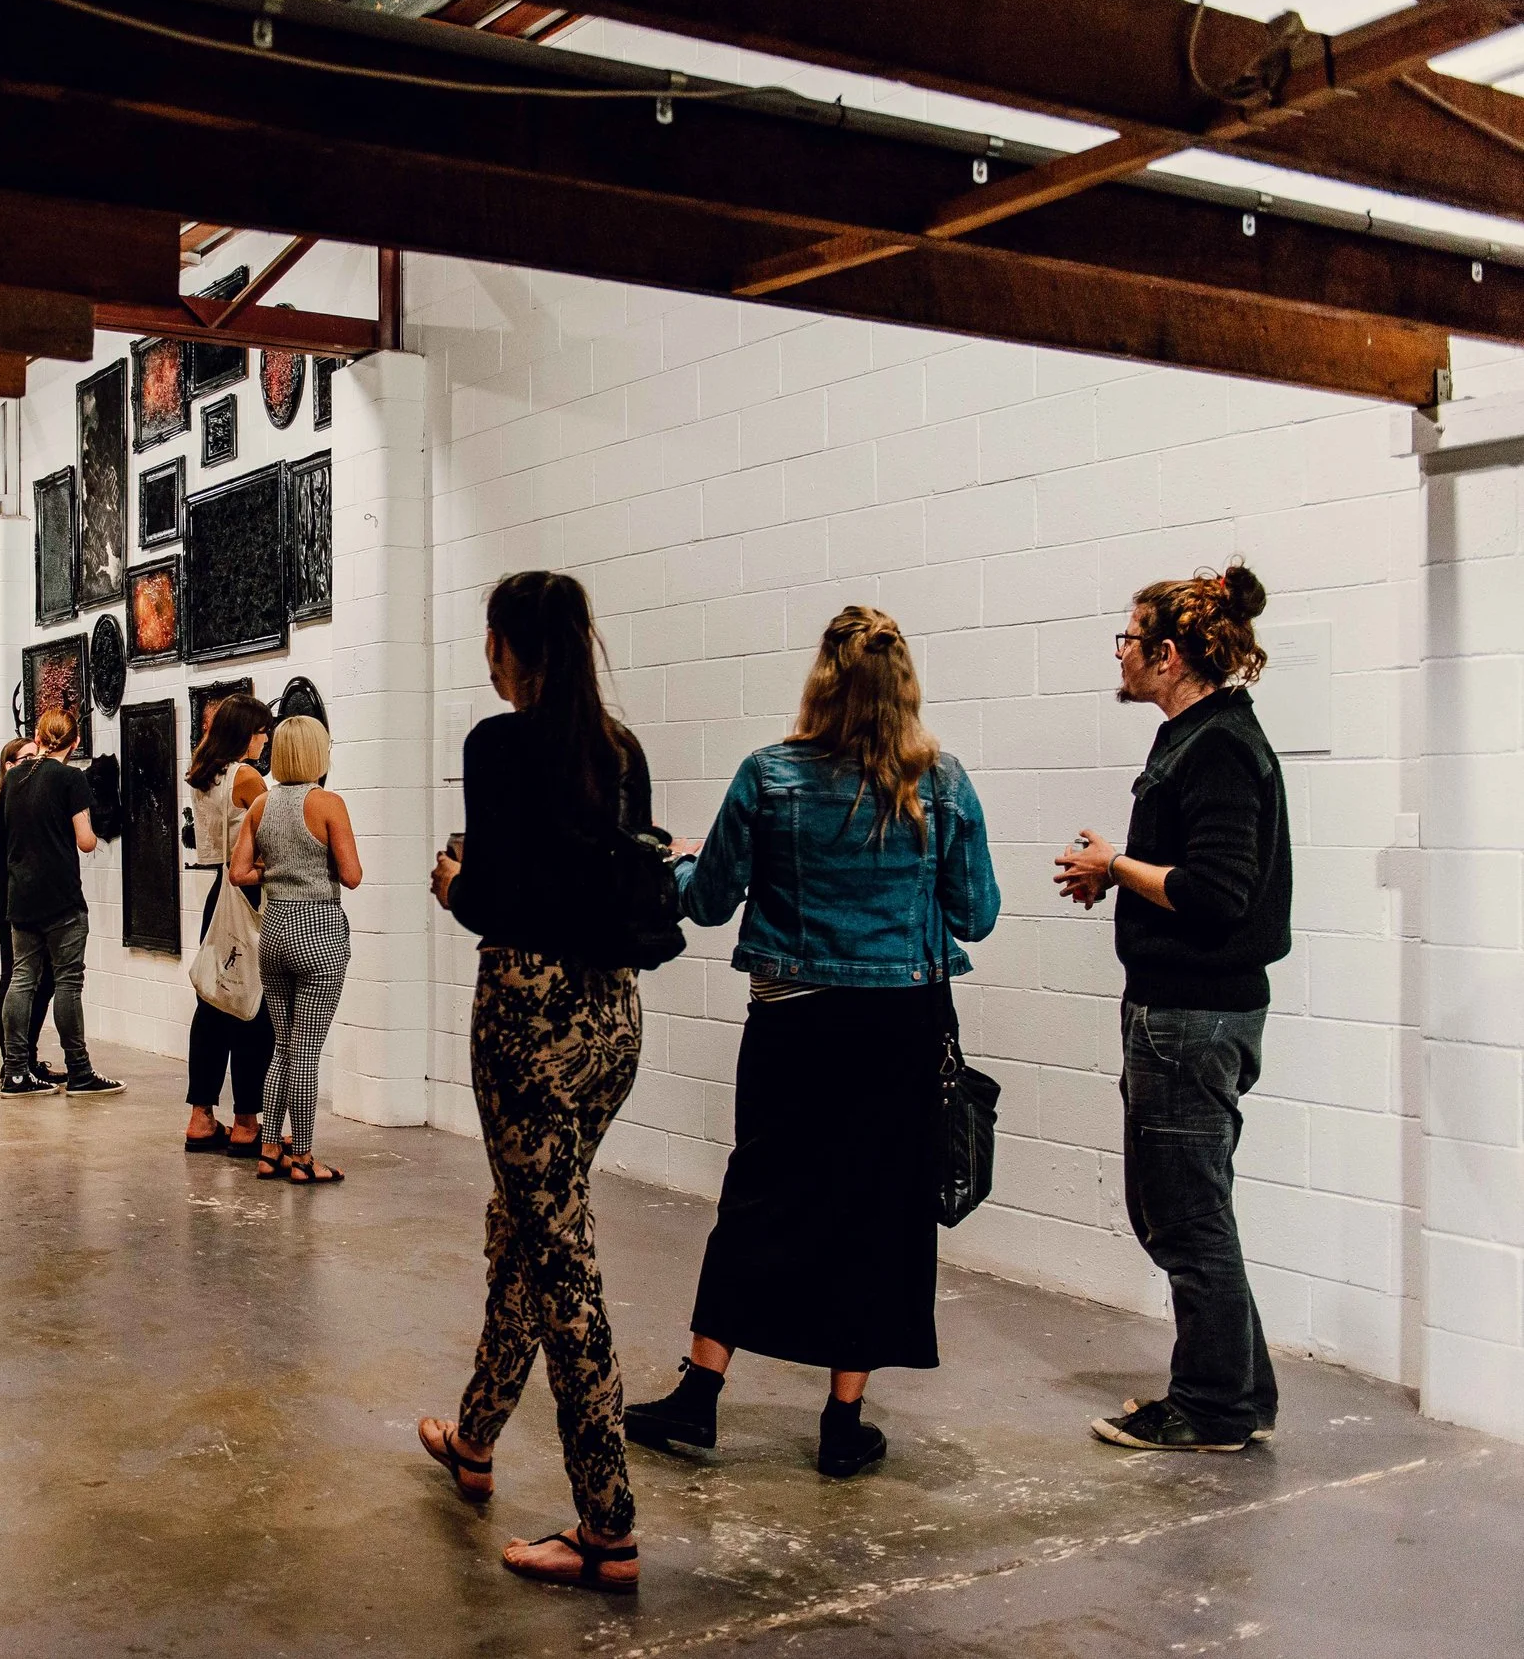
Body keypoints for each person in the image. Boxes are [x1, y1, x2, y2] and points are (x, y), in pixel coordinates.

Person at [622, 606, 1000, 1486]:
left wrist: (684, 860)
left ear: (822, 680)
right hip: (901, 1027)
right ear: (904, 683)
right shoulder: (942, 782)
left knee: (758, 1197)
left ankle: (699, 1396)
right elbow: (976, 912)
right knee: (878, 1212)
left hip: (794, 1022)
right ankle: (842, 1423)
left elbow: (707, 902)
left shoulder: (770, 774)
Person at [418, 571, 656, 1592]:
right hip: (611, 1021)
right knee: (528, 1224)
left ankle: (607, 1525)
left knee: (561, 1263)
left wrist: (453, 883)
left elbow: (496, 899)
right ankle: (474, 1437)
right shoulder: (618, 747)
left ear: (508, 646)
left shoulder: (498, 745)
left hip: (528, 1018)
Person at [1053, 564, 1291, 1454]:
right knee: (1190, 1211)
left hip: (1192, 1018)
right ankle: (1242, 1393)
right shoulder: (1199, 736)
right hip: (1191, 1012)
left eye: (1129, 637)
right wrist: (1119, 875)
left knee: (1184, 1218)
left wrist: (1116, 867)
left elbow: (1218, 894)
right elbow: (1194, 876)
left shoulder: (1218, 746)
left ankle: (1211, 1407)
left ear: (1170, 655)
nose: (1119, 652)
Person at [228, 714, 358, 1184]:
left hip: (274, 931)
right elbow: (352, 875)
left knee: (282, 1047)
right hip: (318, 933)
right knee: (306, 1053)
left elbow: (238, 873)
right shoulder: (328, 803)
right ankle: (301, 1157)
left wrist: (277, 872)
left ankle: (269, 1150)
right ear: (318, 753)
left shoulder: (262, 803)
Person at [0, 711, 121, 1097]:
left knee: (21, 979)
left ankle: (16, 1072)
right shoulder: (71, 778)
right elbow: (85, 840)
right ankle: (79, 1071)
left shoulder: (13, 778)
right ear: (75, 742)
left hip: (21, 892)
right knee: (68, 982)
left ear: (37, 736)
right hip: (61, 894)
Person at [181, 695, 275, 1160]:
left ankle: (201, 1117)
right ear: (244, 733)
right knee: (252, 1008)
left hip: (218, 895)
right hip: (248, 893)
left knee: (214, 1004)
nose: (266, 739)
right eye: (261, 731)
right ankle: (245, 1122)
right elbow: (271, 836)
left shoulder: (205, 774)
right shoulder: (246, 777)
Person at [0, 738, 60, 1078]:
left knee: (36, 978)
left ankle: (22, 1058)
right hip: (12, 902)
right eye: (27, 757)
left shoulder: (6, 797)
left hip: (15, 901)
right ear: (9, 765)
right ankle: (16, 1062)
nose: (35, 762)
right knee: (20, 978)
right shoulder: (4, 800)